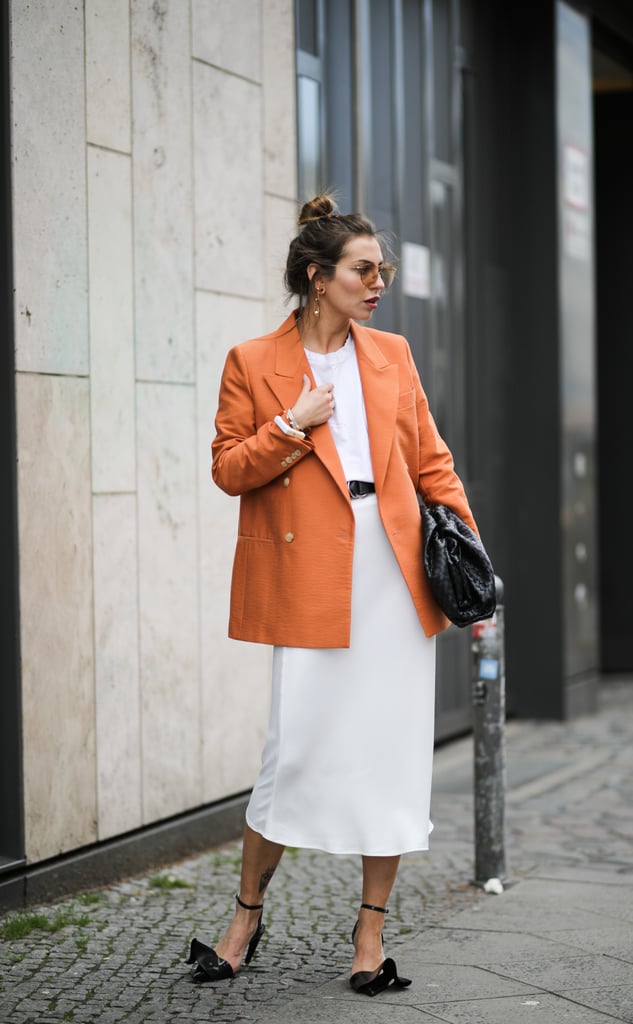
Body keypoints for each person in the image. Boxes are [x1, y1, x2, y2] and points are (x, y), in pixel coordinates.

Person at [186, 193, 479, 997]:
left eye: (379, 270)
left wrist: (473, 571)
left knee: (390, 753)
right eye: (363, 270)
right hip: (310, 573)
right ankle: (245, 915)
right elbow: (226, 469)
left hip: (393, 571)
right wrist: (289, 425)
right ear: (319, 279)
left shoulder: (390, 354)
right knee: (294, 751)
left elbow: (430, 466)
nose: (377, 282)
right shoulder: (253, 361)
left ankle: (369, 937)